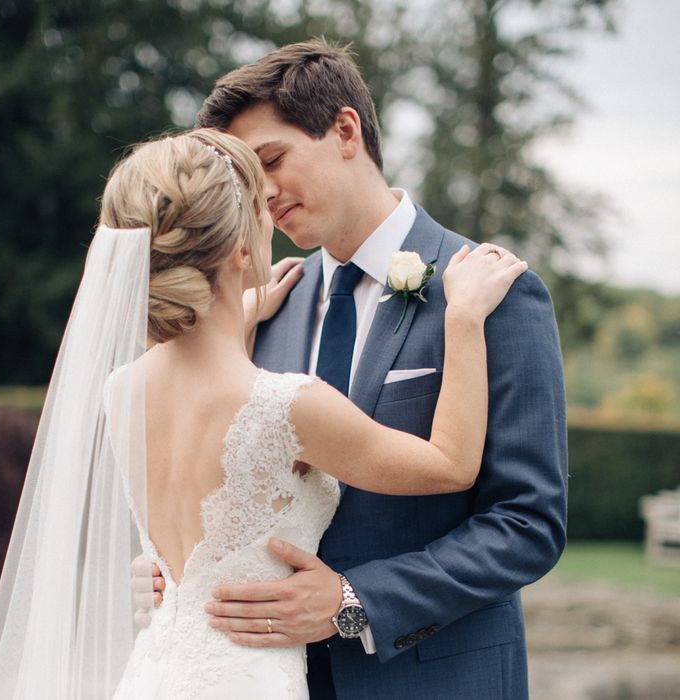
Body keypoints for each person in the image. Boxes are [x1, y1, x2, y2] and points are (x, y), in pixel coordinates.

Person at [0, 126, 525, 699]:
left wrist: (239, 312)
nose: (275, 217)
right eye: (260, 208)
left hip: (157, 675)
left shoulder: (121, 388)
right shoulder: (285, 404)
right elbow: (453, 464)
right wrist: (462, 320)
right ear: (238, 249)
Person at [160, 39, 566, 700]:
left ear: (345, 130)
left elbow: (528, 522)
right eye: (243, 180)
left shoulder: (492, 293)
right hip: (271, 678)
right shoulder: (268, 308)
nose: (260, 195)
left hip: (438, 680)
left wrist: (354, 600)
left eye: (272, 159)